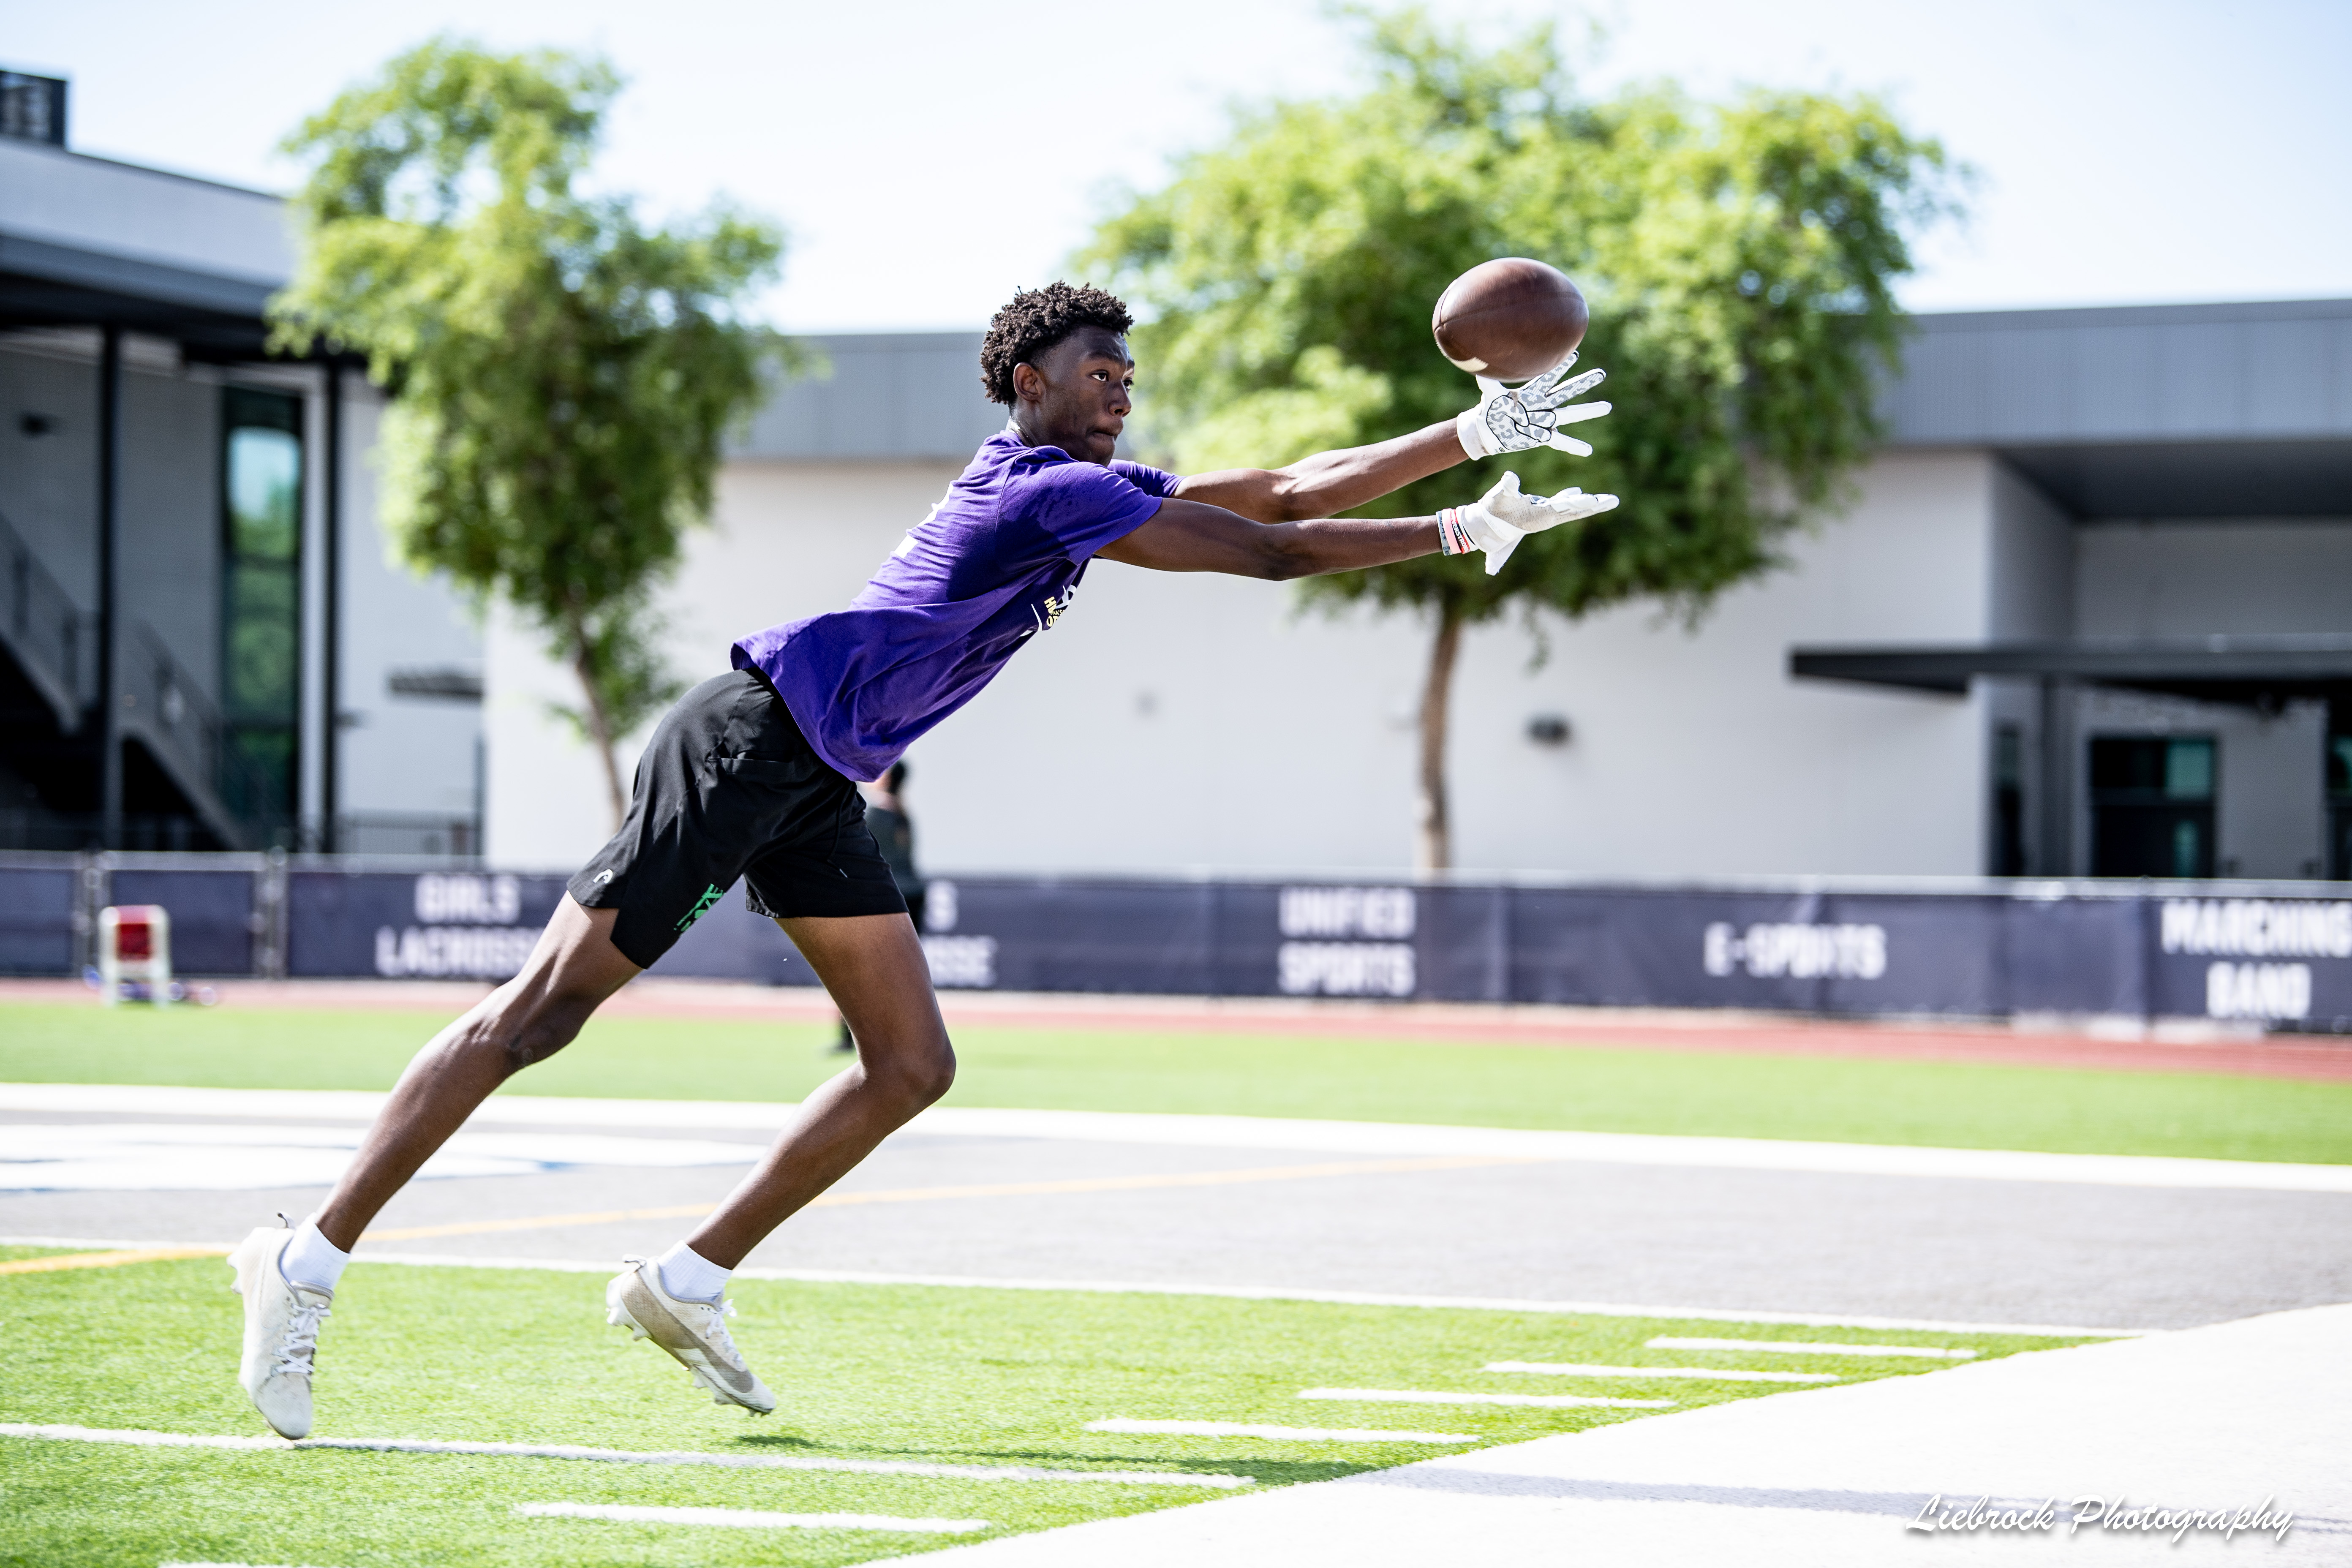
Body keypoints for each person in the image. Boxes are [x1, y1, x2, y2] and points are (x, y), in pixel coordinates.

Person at [227, 282, 1616, 1437]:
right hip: (751, 740)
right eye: (1098, 372)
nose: (1121, 390)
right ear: (1026, 380)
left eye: (1130, 376)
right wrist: (1453, 527)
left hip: (818, 775)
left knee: (908, 1064)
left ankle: (686, 1280)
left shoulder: (1076, 485)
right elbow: (1269, 551)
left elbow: (1281, 488)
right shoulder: (1041, 490)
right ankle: (304, 1257)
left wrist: (1468, 434)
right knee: (541, 1015)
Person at [833, 762, 922, 1053]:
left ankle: (853, 1038)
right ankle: (907, 1038)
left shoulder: (874, 814)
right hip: (910, 893)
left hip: (883, 896)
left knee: (854, 969)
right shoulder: (902, 813)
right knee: (901, 972)